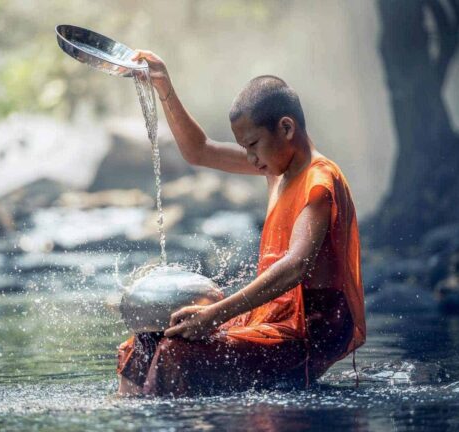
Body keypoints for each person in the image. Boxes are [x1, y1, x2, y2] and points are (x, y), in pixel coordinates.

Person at [116, 50, 366, 397]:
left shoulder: (318, 180)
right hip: (270, 318)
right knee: (144, 341)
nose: (250, 159)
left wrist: (215, 314)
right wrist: (163, 86)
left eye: (252, 145)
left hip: (306, 332)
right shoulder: (276, 166)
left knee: (175, 352)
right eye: (243, 148)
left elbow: (296, 266)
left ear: (286, 128)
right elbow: (199, 150)